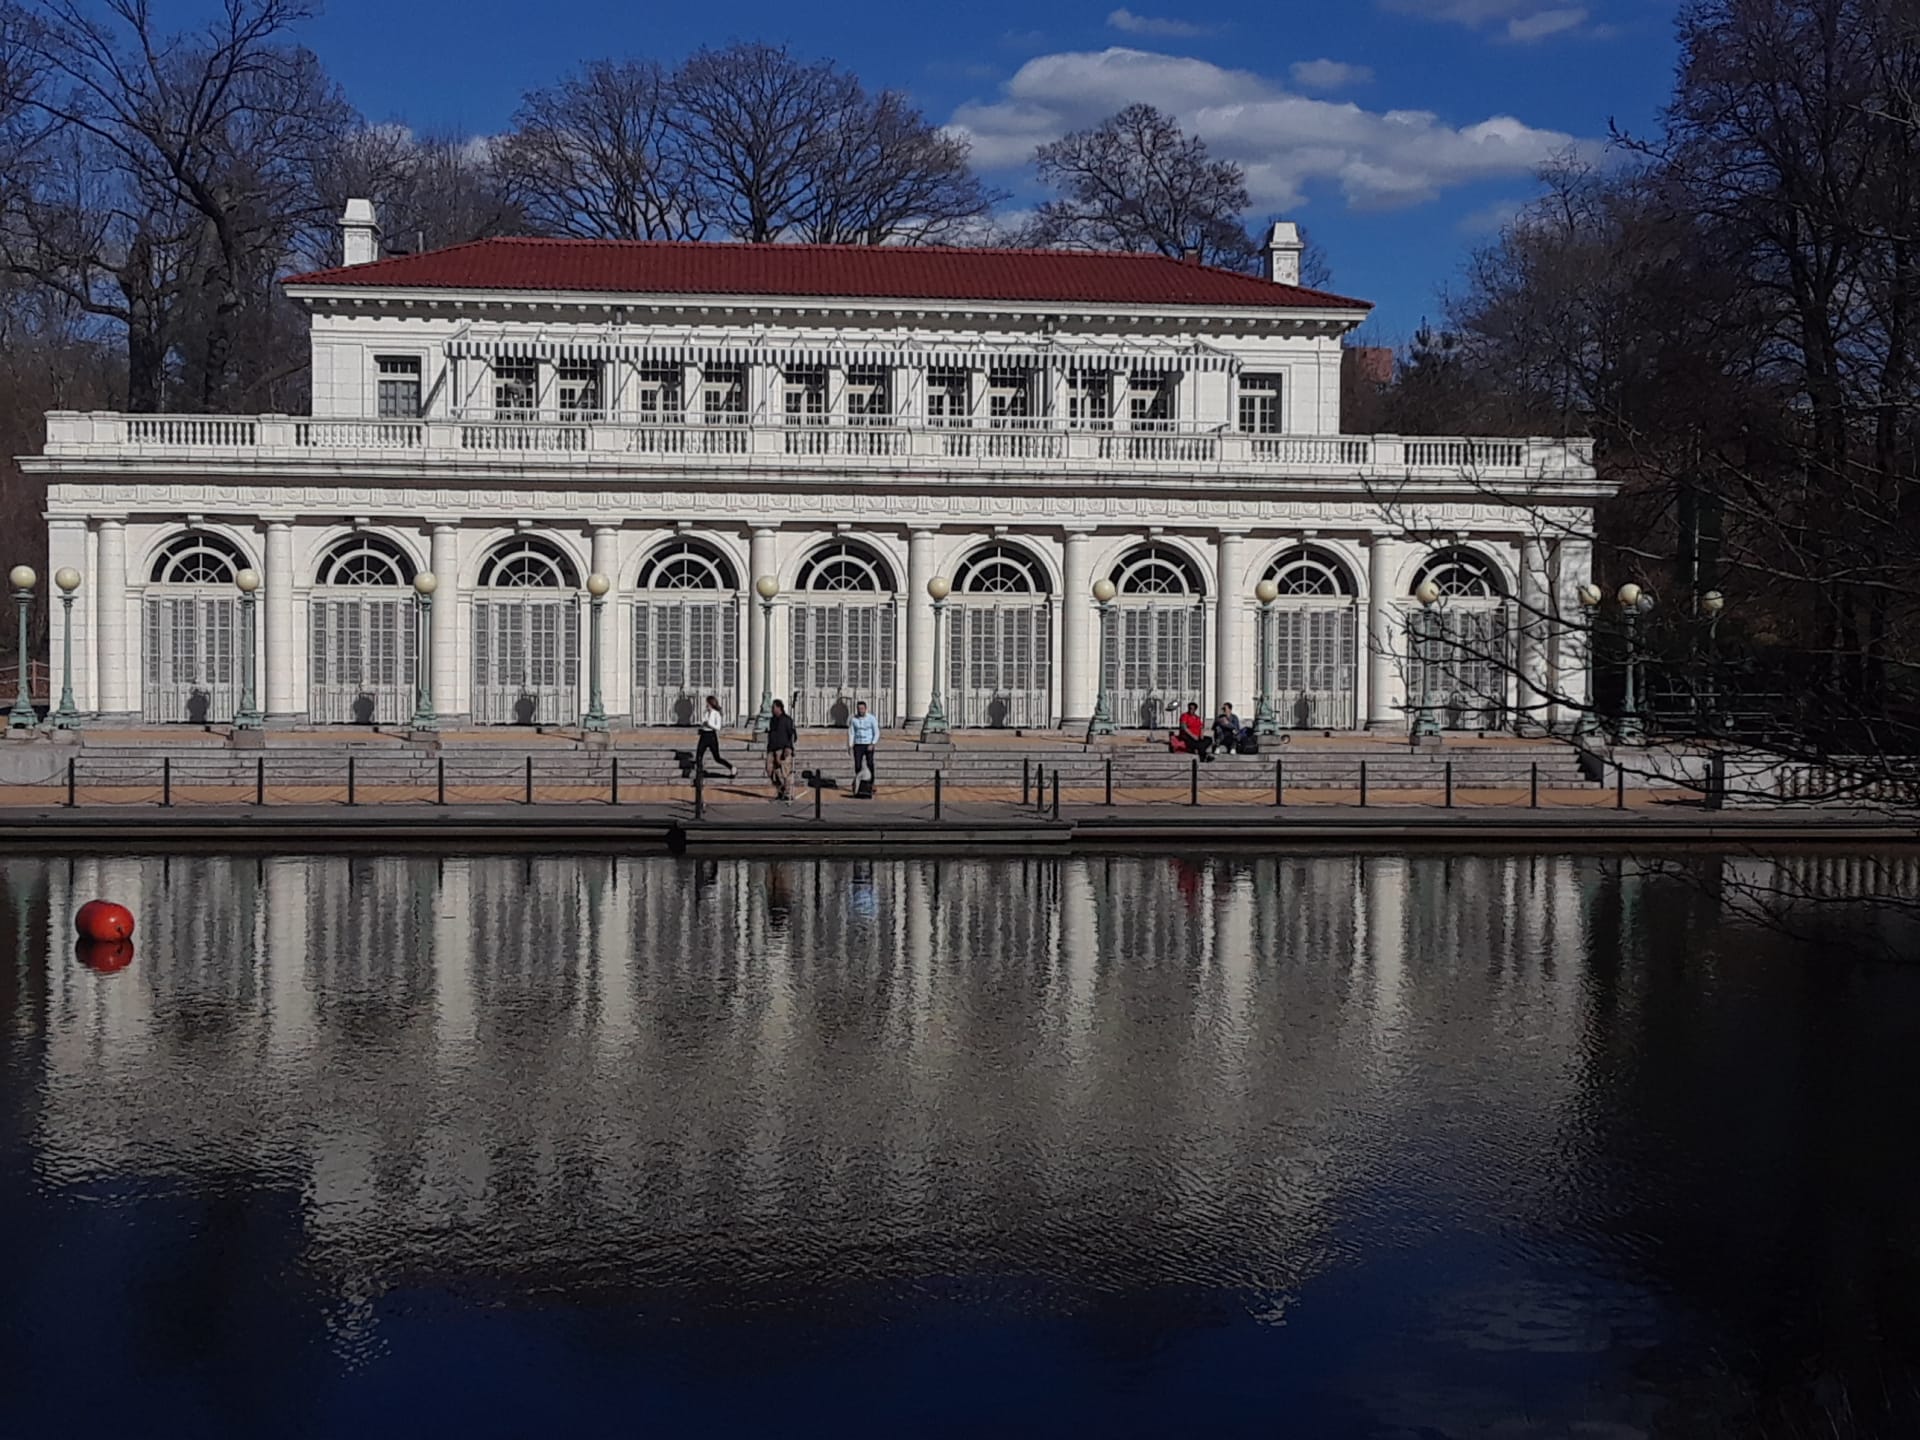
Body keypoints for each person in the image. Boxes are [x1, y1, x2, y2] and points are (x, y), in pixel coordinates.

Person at [695, 694, 736, 778]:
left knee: (717, 757)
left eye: (707, 703)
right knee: (699, 755)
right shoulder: (705, 712)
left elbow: (718, 727)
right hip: (704, 734)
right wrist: (702, 726)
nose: (706, 705)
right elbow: (703, 722)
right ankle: (699, 775)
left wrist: (709, 725)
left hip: (711, 736)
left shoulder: (716, 714)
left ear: (711, 703)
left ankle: (731, 767)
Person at [764, 699, 797, 802]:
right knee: (770, 770)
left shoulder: (787, 720)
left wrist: (788, 747)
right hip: (772, 749)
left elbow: (792, 735)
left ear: (779, 708)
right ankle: (780, 789)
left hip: (783, 749)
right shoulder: (772, 720)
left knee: (785, 772)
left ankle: (787, 793)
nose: (772, 710)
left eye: (773, 707)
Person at [847, 700, 880, 798]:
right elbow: (851, 732)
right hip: (858, 744)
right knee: (857, 764)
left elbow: (876, 732)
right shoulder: (853, 720)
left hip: (868, 743)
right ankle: (859, 782)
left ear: (865, 709)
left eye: (862, 709)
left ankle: (871, 783)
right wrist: (850, 745)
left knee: (870, 763)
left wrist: (873, 743)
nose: (860, 711)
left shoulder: (871, 719)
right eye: (859, 709)